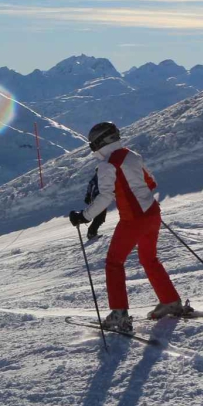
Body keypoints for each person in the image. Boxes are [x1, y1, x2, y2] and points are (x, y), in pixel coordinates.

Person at [69, 122, 190, 334]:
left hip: (133, 219)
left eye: (93, 143)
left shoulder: (107, 165)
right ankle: (170, 301)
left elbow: (105, 197)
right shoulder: (131, 155)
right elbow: (151, 182)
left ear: (100, 142)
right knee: (149, 259)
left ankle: (119, 314)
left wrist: (84, 216)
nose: (92, 147)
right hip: (152, 213)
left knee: (114, 263)